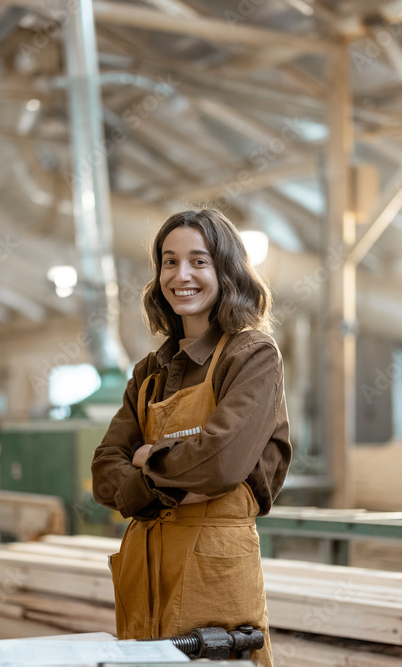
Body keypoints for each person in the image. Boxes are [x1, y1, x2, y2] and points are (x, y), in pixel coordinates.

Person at [91, 209, 292, 667]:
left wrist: (145, 460)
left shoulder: (252, 355)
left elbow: (220, 463)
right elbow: (104, 471)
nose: (181, 275)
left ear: (226, 269)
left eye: (199, 261)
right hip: (146, 575)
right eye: (169, 261)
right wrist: (176, 480)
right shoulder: (148, 371)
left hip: (211, 572)